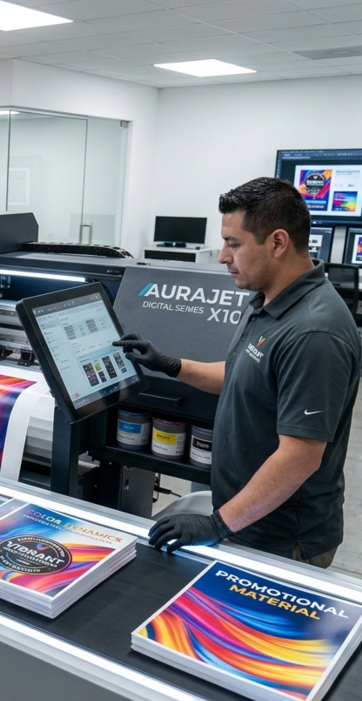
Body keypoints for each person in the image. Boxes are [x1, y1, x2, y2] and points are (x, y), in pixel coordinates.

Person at [115, 177, 361, 567]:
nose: (223, 257)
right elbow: (243, 373)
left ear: (277, 243)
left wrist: (217, 524)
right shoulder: (267, 299)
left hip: (280, 540)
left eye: (234, 244)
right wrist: (170, 364)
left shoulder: (315, 333)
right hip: (246, 519)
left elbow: (300, 457)